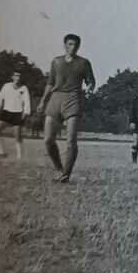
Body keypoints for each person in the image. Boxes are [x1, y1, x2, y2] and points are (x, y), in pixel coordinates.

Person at [37, 34, 96, 182]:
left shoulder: (84, 63)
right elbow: (50, 83)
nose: (73, 47)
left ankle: (66, 174)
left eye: (75, 45)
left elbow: (91, 81)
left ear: (79, 46)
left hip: (73, 99)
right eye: (70, 44)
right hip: (55, 99)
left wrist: (89, 88)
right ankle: (59, 168)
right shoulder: (56, 62)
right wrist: (43, 101)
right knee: (48, 139)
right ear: (64, 45)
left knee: (71, 140)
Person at [0, 70, 31, 160]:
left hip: (18, 113)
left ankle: (20, 157)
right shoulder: (6, 86)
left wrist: (26, 113)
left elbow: (27, 101)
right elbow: (0, 98)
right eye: (16, 76)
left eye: (20, 76)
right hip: (6, 112)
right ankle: (2, 152)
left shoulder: (24, 88)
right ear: (12, 77)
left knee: (17, 136)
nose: (18, 78)